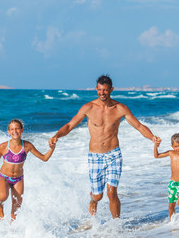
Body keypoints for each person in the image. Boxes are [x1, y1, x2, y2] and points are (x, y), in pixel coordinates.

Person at [49, 75, 159, 219]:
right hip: (95, 156)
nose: (102, 93)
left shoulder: (120, 108)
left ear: (111, 90)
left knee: (111, 191)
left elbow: (138, 126)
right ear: (96, 89)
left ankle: (117, 225)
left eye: (105, 90)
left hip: (114, 155)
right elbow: (70, 125)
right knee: (98, 196)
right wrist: (56, 136)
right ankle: (93, 200)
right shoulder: (88, 107)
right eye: (100, 90)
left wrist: (152, 138)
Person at [0, 119, 56, 222]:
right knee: (3, 196)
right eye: (12, 129)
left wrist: (52, 148)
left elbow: (44, 158)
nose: (14, 131)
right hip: (4, 177)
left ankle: (13, 230)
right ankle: (0, 205)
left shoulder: (27, 146)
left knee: (16, 209)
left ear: (22, 130)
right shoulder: (3, 147)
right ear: (8, 132)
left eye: (17, 128)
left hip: (18, 179)